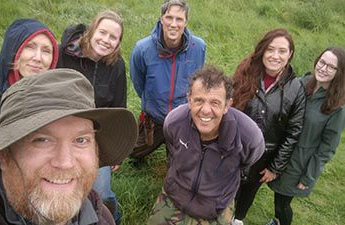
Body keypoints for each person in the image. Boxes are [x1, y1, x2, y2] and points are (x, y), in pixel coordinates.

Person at [0, 68, 137, 225]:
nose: (65, 163)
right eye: (42, 140)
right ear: (4, 154)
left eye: (81, 140)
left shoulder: (101, 216)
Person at [147, 65, 265, 225]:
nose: (206, 110)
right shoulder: (174, 121)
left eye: (215, 102)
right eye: (199, 100)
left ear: (227, 105)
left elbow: (249, 159)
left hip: (215, 205)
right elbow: (173, 147)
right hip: (174, 194)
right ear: (189, 100)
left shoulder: (248, 136)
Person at [231, 28, 306, 225]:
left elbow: (293, 132)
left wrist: (275, 167)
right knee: (225, 187)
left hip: (265, 156)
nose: (275, 56)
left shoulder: (296, 87)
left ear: (290, 54)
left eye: (282, 51)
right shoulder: (245, 73)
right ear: (262, 51)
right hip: (234, 149)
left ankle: (238, 219)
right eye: (270, 49)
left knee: (249, 190)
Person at [57, 10, 125, 224]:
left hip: (95, 136)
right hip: (61, 129)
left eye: (113, 37)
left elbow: (118, 106)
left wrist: (116, 149)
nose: (106, 40)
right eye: (102, 32)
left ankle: (110, 219)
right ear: (92, 31)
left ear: (118, 43)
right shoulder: (64, 54)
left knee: (102, 193)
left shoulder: (117, 65)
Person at [266, 47, 345, 225]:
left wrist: (308, 176)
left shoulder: (337, 108)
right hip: (281, 151)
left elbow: (327, 148)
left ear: (339, 73)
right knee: (276, 197)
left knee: (282, 204)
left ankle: (280, 222)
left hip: (299, 164)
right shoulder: (302, 82)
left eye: (331, 67)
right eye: (322, 62)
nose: (323, 69)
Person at [129, 0, 206, 163]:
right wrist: (151, 102)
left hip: (182, 119)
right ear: (161, 19)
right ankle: (139, 155)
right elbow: (138, 82)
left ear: (186, 22)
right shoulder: (142, 49)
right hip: (154, 116)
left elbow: (197, 80)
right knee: (133, 151)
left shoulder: (198, 47)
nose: (173, 24)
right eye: (169, 17)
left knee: (178, 163)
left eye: (179, 19)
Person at [0, 18, 58, 124]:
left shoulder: (56, 97)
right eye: (29, 47)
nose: (38, 58)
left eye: (46, 51)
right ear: (13, 50)